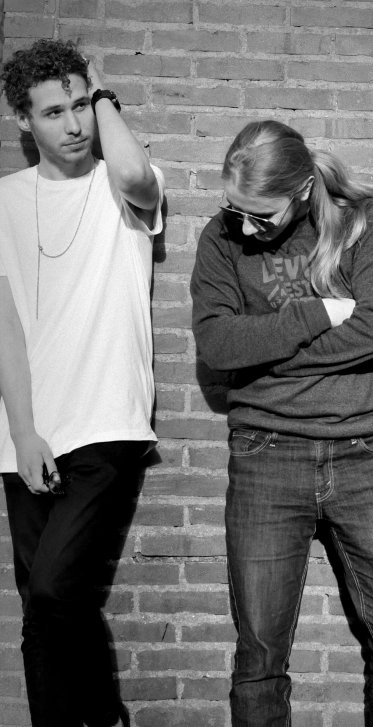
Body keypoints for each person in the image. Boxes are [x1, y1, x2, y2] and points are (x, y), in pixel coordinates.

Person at [190, 120, 373, 727]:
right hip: (266, 453)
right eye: (236, 210)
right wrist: (316, 314)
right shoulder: (221, 239)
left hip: (364, 450)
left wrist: (263, 350)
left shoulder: (362, 223)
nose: (246, 227)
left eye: (261, 216)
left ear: (301, 191)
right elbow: (219, 344)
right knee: (260, 656)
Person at [0, 39, 165, 727]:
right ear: (23, 120)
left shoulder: (123, 185)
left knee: (52, 592)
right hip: (30, 435)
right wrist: (23, 432)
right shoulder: (4, 200)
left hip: (106, 424)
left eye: (79, 107)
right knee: (46, 607)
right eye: (53, 112)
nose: (73, 125)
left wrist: (101, 93)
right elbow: (6, 326)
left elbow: (133, 172)